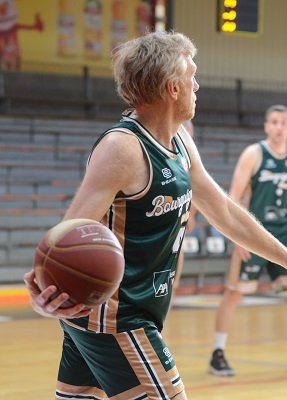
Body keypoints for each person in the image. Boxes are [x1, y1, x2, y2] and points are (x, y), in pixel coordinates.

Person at [23, 31, 287, 400]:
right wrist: (44, 287)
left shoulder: (179, 141)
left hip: (113, 317)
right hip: (117, 319)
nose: (198, 85)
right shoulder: (123, 148)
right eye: (191, 76)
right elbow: (68, 235)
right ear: (171, 88)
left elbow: (225, 211)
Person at [209, 104, 287, 377]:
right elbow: (234, 197)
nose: (280, 127)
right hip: (256, 235)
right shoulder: (254, 154)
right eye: (275, 122)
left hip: (284, 235)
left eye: (284, 123)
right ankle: (218, 352)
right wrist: (237, 237)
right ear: (266, 126)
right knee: (235, 293)